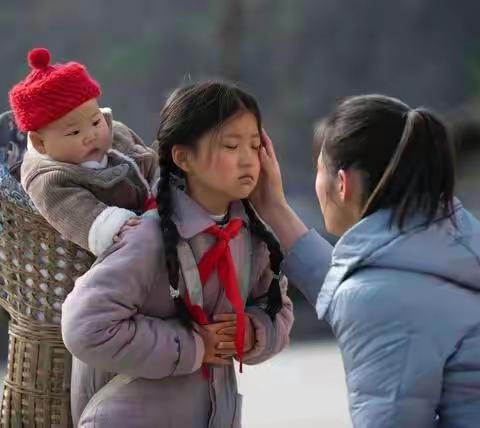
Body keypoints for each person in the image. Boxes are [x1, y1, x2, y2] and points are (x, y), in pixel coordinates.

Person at [61, 81, 294, 427]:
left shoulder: (253, 237)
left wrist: (254, 332)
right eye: (231, 145)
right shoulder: (148, 238)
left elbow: (277, 305)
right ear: (183, 157)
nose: (248, 158)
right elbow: (85, 327)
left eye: (255, 144)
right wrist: (193, 345)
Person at [251, 94, 480, 427]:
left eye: (320, 169)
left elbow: (373, 299)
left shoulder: (381, 296)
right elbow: (363, 290)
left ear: (342, 184)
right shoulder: (457, 238)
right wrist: (273, 208)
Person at [9, 48, 158, 256]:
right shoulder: (48, 178)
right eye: (75, 132)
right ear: (40, 143)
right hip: (101, 253)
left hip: (155, 213)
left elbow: (149, 161)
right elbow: (73, 209)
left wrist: (164, 189)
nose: (91, 135)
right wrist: (115, 225)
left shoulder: (118, 134)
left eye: (95, 121)